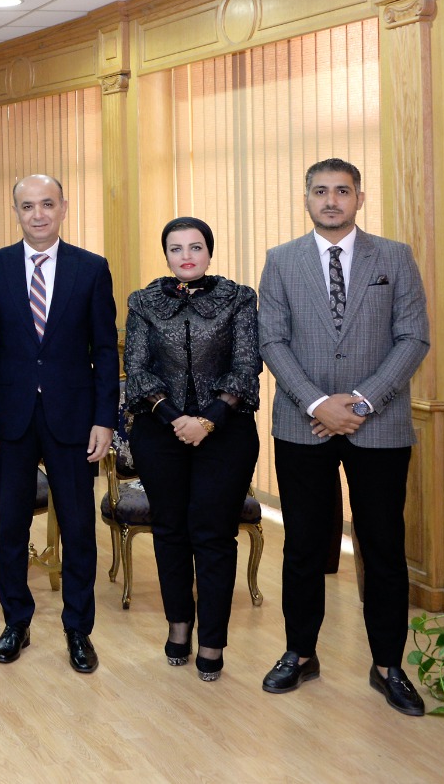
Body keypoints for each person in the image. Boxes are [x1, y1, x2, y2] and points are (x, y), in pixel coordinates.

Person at [257, 158, 430, 715]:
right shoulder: (280, 260)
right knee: (304, 546)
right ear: (306, 198)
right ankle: (300, 653)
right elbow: (272, 341)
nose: (331, 200)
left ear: (360, 198)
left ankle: (388, 666)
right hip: (302, 423)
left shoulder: (395, 257)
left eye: (342, 191)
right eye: (320, 191)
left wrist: (360, 402)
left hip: (378, 424)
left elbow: (413, 337)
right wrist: (317, 403)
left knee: (383, 547)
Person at [0, 174, 118, 674]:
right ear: (16, 212)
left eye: (47, 204)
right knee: (11, 525)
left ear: (63, 208)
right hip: (9, 418)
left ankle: (78, 630)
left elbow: (105, 351)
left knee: (78, 527)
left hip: (73, 416)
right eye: (28, 206)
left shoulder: (91, 268)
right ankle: (16, 622)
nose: (38, 214)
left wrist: (104, 420)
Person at [122, 217, 261, 681]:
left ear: (209, 252)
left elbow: (246, 365)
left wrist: (208, 419)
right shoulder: (143, 302)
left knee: (214, 534)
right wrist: (174, 417)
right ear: (165, 255)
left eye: (196, 247)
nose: (186, 256)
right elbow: (137, 368)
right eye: (176, 248)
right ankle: (179, 625)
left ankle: (213, 640)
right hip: (159, 432)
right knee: (170, 531)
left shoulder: (239, 298)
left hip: (227, 433)